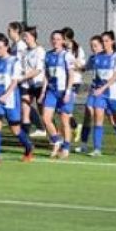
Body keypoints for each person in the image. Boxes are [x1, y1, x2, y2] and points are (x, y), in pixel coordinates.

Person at [0, 33, 34, 165]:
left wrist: (6, 95)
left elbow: (14, 82)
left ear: (6, 47)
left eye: (0, 47)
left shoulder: (14, 61)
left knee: (15, 130)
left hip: (10, 99)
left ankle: (28, 147)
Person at [41, 30, 76, 159]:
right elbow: (46, 75)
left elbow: (71, 75)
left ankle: (66, 148)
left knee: (64, 120)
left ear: (63, 41)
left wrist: (67, 92)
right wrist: (43, 91)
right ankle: (56, 141)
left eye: (58, 39)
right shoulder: (48, 55)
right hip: (51, 91)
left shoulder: (67, 55)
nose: (55, 41)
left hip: (63, 92)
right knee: (46, 118)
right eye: (53, 39)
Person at [83, 35, 114, 156]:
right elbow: (84, 68)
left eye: (95, 45)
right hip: (96, 92)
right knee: (92, 113)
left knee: (114, 120)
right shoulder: (94, 58)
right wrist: (74, 65)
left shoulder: (113, 57)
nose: (93, 48)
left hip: (111, 93)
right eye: (91, 46)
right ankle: (93, 147)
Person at [19, 26, 47, 139]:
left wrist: (22, 77)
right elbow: (22, 68)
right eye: (24, 36)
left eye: (27, 36)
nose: (25, 38)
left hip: (39, 84)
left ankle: (53, 137)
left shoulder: (40, 51)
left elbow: (38, 70)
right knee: (25, 109)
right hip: (27, 84)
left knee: (44, 114)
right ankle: (25, 141)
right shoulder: (25, 52)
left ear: (33, 37)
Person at [62, 27, 87, 146]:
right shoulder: (62, 50)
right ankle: (76, 127)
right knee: (64, 109)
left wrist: (73, 64)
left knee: (66, 109)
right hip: (63, 82)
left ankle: (71, 132)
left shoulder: (78, 50)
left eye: (64, 39)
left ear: (70, 39)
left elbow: (82, 68)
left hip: (75, 81)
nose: (63, 41)